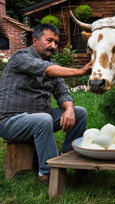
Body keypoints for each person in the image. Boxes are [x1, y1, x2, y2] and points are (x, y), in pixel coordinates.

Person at [0, 23, 92, 183]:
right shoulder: (20, 57)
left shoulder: (52, 64)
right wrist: (81, 71)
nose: (53, 46)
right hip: (9, 121)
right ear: (35, 40)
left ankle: (69, 159)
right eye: (49, 40)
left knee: (80, 112)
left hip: (40, 117)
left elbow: (63, 93)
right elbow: (46, 70)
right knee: (43, 119)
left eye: (56, 43)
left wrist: (69, 108)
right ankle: (48, 172)